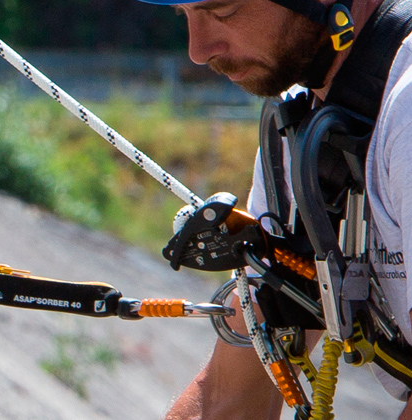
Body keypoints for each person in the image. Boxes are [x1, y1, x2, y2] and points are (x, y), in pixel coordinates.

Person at [136, 0, 412, 418]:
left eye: (222, 11)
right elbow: (232, 395)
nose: (198, 49)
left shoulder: (405, 108)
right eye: (184, 14)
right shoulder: (307, 134)